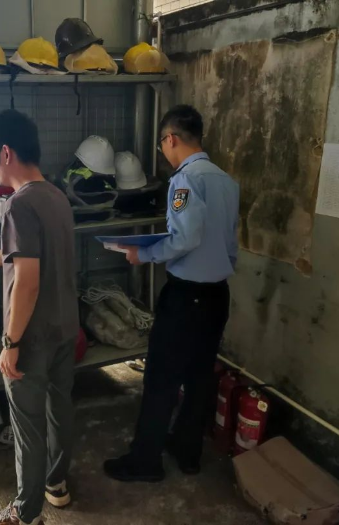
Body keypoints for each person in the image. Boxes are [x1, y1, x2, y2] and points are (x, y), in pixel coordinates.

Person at [104, 105, 239, 482]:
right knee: (199, 377)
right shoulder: (226, 181)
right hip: (217, 295)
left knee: (161, 378)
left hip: (186, 298)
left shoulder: (185, 181)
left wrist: (142, 253)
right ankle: (187, 451)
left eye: (162, 144)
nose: (164, 152)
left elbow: (185, 238)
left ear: (171, 139)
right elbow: (230, 246)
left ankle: (145, 462)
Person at [0, 110, 79, 525]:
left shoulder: (18, 205)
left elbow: (27, 282)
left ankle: (24, 511)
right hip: (65, 327)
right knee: (59, 409)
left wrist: (10, 342)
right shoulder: (55, 196)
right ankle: (57, 484)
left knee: (27, 427)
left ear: (6, 152)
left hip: (32, 337)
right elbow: (22, 252)